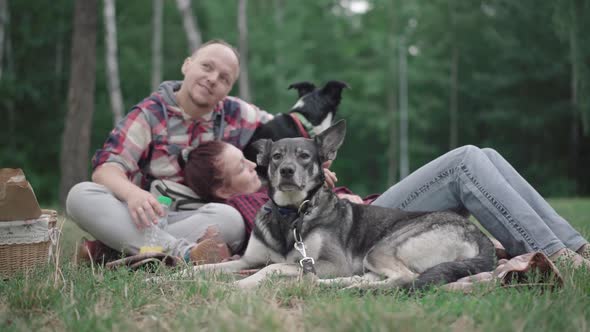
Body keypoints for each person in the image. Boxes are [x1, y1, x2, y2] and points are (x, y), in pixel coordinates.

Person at [184, 140, 590, 268]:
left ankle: (574, 244)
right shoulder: (252, 204)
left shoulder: (281, 172)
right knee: (465, 161)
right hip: (379, 222)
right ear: (224, 189)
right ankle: (555, 255)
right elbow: (287, 233)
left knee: (485, 154)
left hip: (371, 209)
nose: (253, 165)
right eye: (241, 164)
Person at [66, 39, 273, 264]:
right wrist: (133, 194)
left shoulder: (237, 113)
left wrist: (318, 159)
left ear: (229, 88)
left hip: (193, 217)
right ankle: (182, 253)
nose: (213, 79)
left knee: (232, 220)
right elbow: (106, 169)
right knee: (80, 196)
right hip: (142, 216)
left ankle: (114, 249)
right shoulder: (149, 114)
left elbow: (290, 129)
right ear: (187, 65)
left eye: (224, 78)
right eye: (207, 67)